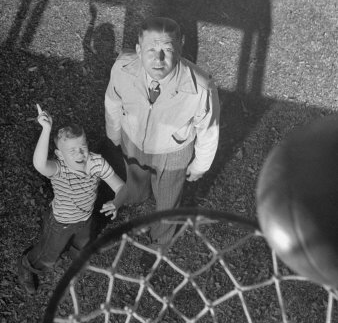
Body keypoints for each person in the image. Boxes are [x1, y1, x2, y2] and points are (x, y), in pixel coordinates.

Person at [105, 16, 220, 263]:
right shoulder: (123, 68)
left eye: (167, 49)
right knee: (135, 177)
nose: (158, 59)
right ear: (138, 49)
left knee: (167, 202)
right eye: (151, 49)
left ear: (181, 46)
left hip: (173, 152)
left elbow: (208, 128)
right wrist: (114, 132)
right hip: (133, 139)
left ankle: (160, 242)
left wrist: (200, 165)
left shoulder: (200, 86)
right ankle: (136, 194)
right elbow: (113, 101)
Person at [18, 104, 127, 294]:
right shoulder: (59, 169)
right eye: (72, 150)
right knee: (48, 255)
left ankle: (75, 255)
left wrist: (117, 201)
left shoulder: (96, 163)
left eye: (82, 147)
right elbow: (39, 164)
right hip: (61, 223)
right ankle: (27, 266)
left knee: (82, 244)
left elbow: (120, 186)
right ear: (60, 154)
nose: (79, 153)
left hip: (85, 218)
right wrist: (46, 130)